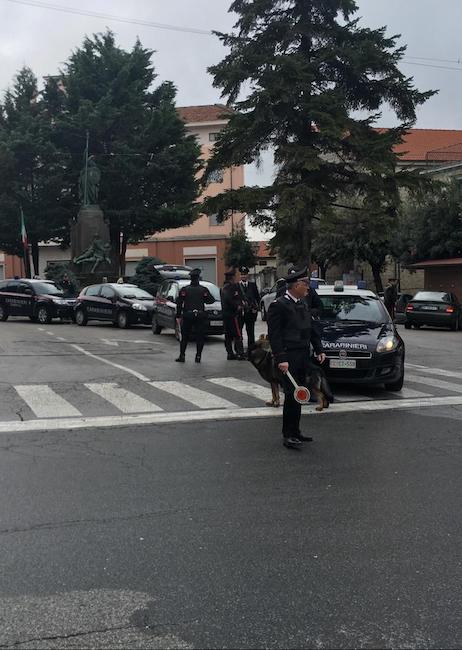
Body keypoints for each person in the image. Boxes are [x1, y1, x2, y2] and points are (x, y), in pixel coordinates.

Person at [267, 267, 326, 450]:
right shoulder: (279, 305)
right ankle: (288, 434)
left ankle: (296, 430)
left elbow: (310, 328)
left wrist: (318, 348)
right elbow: (274, 335)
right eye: (305, 284)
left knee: (300, 394)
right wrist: (281, 358)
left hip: (302, 355)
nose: (308, 287)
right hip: (288, 356)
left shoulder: (302, 303)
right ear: (295, 285)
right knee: (291, 395)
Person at [175, 268, 215, 363]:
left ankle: (182, 355)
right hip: (200, 316)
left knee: (185, 337)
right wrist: (203, 298)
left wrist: (178, 316)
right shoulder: (203, 290)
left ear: (191, 278)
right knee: (200, 337)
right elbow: (211, 300)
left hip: (188, 315)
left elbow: (179, 303)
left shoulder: (185, 290)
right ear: (198, 278)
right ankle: (198, 356)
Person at [221, 269, 245, 360]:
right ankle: (240, 353)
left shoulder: (224, 287)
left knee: (228, 335)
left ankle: (230, 353)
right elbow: (230, 299)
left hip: (226, 315)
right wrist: (237, 306)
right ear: (232, 278)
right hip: (233, 314)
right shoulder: (232, 287)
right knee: (237, 334)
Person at [237, 266, 260, 349]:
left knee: (250, 332)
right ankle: (239, 350)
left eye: (245, 274)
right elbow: (235, 299)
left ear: (247, 275)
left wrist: (256, 308)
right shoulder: (237, 286)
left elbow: (257, 297)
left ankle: (251, 350)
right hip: (241, 313)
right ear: (240, 276)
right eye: (242, 274)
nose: (243, 276)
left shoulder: (252, 285)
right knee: (239, 331)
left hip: (250, 312)